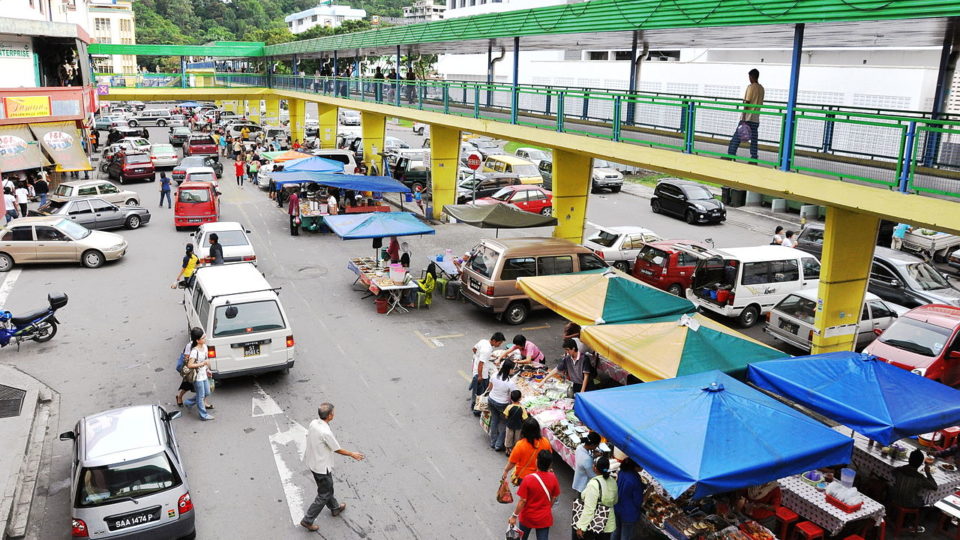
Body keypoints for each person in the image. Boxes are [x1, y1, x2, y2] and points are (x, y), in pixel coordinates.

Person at [299, 402, 365, 532]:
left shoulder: (313, 423)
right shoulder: (325, 432)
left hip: (314, 462)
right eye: (332, 412)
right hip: (321, 467)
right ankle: (307, 520)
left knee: (327, 488)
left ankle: (335, 508)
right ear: (329, 416)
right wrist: (352, 454)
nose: (334, 414)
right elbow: (337, 449)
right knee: (324, 493)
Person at [508, 450, 561, 540]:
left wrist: (514, 516)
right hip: (544, 518)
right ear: (550, 464)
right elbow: (554, 496)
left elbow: (522, 500)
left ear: (536, 461)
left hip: (527, 517)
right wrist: (547, 508)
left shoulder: (528, 479)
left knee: (522, 538)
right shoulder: (553, 478)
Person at [891, 449, 937, 533]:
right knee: (926, 503)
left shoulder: (899, 470)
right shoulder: (919, 477)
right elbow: (934, 487)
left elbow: (892, 472)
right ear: (920, 464)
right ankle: (913, 524)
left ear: (909, 459)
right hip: (909, 502)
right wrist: (928, 473)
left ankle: (899, 517)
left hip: (894, 496)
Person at [573, 456, 618, 540]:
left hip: (595, 524)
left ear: (595, 468)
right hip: (608, 524)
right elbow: (615, 501)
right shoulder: (613, 481)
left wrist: (581, 527)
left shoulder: (594, 484)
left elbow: (589, 509)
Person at [727, 68, 765, 163]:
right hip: (756, 118)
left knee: (737, 137)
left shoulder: (751, 87)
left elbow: (747, 102)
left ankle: (730, 154)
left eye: (749, 77)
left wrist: (743, 117)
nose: (749, 79)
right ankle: (754, 158)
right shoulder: (761, 88)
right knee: (754, 140)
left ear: (752, 77)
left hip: (747, 118)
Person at [502, 417, 552, 485]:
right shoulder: (545, 442)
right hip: (540, 477)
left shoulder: (520, 445)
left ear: (524, 430)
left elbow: (512, 462)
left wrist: (506, 471)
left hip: (524, 477)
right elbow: (549, 458)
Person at [471, 332, 505, 416]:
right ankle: (477, 411)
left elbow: (474, 349)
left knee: (476, 390)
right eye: (499, 343)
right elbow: (481, 364)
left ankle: (473, 405)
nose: (499, 345)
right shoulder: (487, 350)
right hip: (481, 374)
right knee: (481, 393)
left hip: (476, 369)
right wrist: (480, 376)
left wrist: (477, 356)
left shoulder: (483, 341)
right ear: (494, 341)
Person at [182, 331, 214, 421]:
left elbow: (206, 359)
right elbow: (190, 365)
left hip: (204, 374)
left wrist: (208, 369)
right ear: (197, 340)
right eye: (203, 338)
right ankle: (203, 415)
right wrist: (202, 364)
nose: (205, 339)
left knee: (207, 392)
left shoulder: (205, 347)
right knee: (201, 396)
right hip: (197, 377)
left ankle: (189, 402)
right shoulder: (194, 351)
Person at [487, 358, 517, 452]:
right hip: (502, 404)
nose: (514, 371)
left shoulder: (494, 375)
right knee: (504, 423)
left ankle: (493, 442)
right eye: (513, 369)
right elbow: (514, 396)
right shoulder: (510, 383)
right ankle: (498, 445)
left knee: (494, 420)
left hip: (491, 400)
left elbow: (489, 388)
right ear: (509, 370)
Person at [611, 458, 645, 540]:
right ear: (635, 466)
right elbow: (638, 502)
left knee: (615, 532)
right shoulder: (635, 480)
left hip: (617, 507)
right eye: (642, 465)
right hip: (629, 513)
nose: (643, 468)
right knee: (625, 536)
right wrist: (648, 492)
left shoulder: (622, 472)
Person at [503, 390, 528, 456]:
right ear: (520, 398)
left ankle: (507, 451)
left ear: (511, 398)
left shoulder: (509, 407)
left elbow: (506, 416)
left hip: (510, 425)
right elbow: (525, 418)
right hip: (518, 426)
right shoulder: (522, 408)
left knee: (508, 438)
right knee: (517, 439)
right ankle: (515, 451)